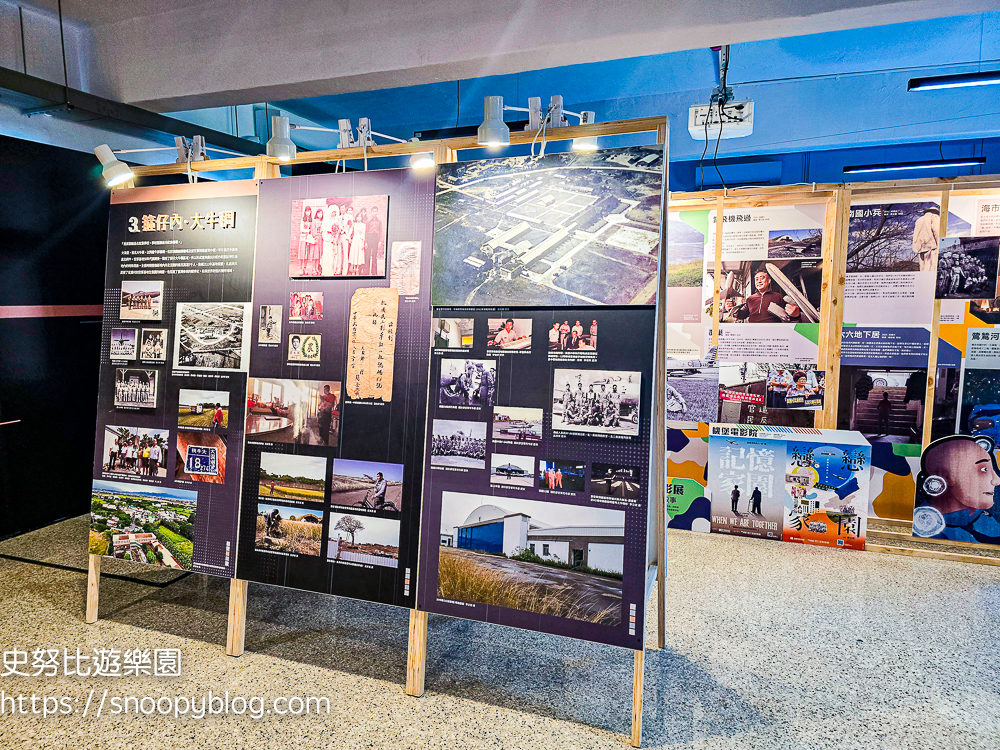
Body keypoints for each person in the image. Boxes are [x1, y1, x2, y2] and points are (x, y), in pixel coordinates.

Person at [914, 435, 1000, 543]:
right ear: (947, 477)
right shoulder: (924, 530)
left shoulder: (987, 523)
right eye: (984, 469)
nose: (996, 480)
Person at [911, 206, 940, 272]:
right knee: (931, 269)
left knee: (922, 269)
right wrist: (938, 245)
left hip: (919, 247)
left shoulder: (919, 220)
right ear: (934, 212)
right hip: (931, 246)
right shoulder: (934, 217)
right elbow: (936, 231)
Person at [365, 205, 384, 275]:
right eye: (373, 211)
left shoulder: (379, 221)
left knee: (374, 255)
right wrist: (366, 242)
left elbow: (381, 231)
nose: (374, 213)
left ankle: (374, 272)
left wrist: (380, 241)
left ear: (377, 212)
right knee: (367, 255)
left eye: (375, 211)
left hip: (376, 237)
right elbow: (366, 232)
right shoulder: (368, 221)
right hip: (369, 237)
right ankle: (366, 272)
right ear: (371, 212)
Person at [350, 208, 367, 275]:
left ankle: (357, 269)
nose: (359, 218)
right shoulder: (354, 224)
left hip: (360, 241)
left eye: (360, 217)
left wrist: (363, 243)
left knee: (359, 255)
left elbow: (363, 234)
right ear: (356, 217)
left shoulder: (363, 225)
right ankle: (353, 269)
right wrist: (349, 239)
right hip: (354, 240)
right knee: (354, 254)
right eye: (358, 217)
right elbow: (350, 232)